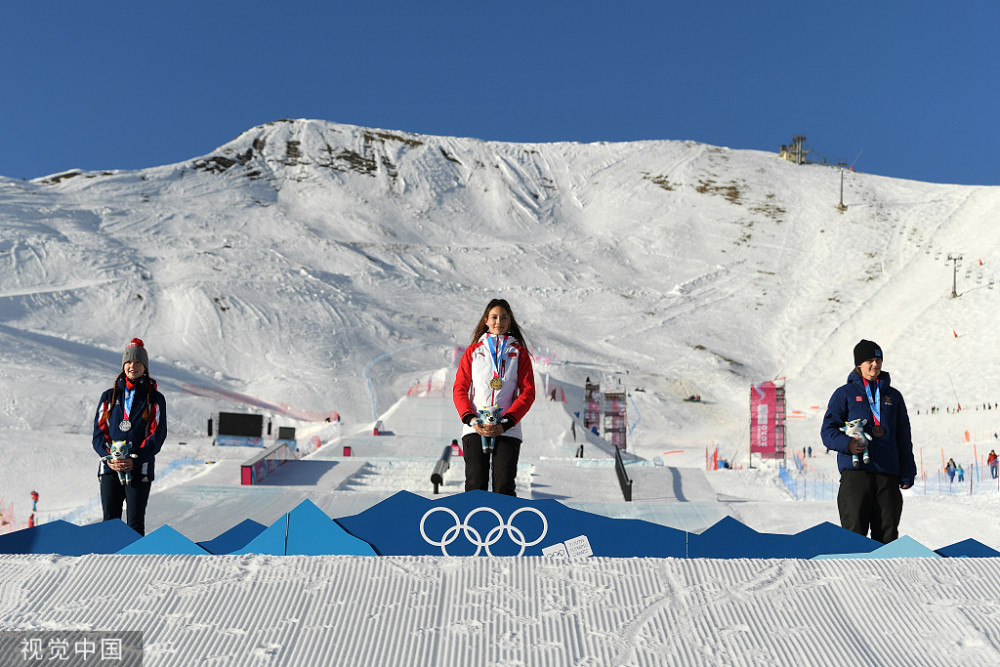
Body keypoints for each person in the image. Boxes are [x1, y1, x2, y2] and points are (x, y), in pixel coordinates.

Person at [820, 339, 916, 543]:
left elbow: (903, 437)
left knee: (887, 537)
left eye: (878, 360)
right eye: (870, 360)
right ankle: (852, 576)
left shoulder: (893, 397)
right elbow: (827, 431)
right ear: (859, 364)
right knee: (853, 535)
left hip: (887, 475)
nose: (875, 365)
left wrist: (907, 470)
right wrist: (848, 444)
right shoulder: (844, 394)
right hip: (856, 475)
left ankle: (887, 575)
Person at [452, 299, 536, 496]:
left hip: (508, 428)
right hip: (475, 426)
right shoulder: (473, 352)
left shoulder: (519, 353)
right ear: (486, 320)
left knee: (504, 486)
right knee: (475, 483)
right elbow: (459, 388)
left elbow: (528, 392)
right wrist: (471, 419)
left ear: (509, 321)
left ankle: (505, 526)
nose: (499, 321)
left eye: (504, 317)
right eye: (495, 317)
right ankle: (472, 525)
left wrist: (507, 422)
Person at [92, 338, 167, 535]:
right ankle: (106, 564)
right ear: (123, 365)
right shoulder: (109, 396)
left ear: (145, 367)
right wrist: (110, 457)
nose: (132, 366)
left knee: (134, 523)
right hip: (110, 467)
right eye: (129, 362)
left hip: (139, 467)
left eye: (138, 362)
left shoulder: (155, 399)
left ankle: (133, 565)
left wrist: (135, 459)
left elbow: (157, 435)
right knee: (109, 522)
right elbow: (99, 433)